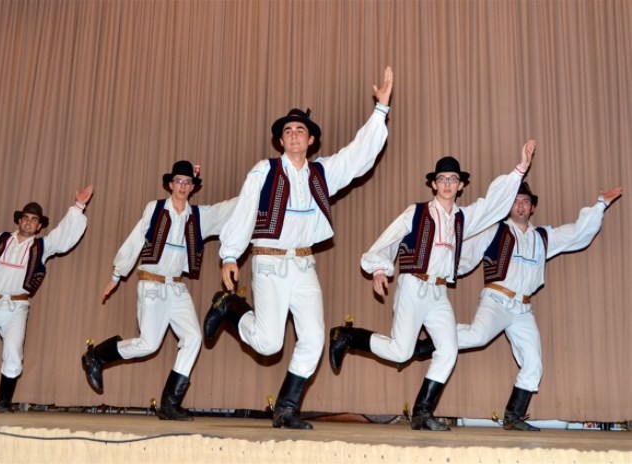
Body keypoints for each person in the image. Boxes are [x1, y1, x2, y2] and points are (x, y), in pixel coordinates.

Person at [202, 67, 394, 430]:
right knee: (269, 344)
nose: (294, 135)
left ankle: (286, 409)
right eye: (288, 131)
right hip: (269, 264)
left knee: (314, 338)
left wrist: (381, 109)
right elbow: (244, 212)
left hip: (304, 266)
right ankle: (229, 307)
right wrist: (229, 255)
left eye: (300, 130)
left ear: (311, 140)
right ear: (280, 140)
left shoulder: (322, 173)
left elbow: (357, 156)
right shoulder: (264, 171)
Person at [328, 141, 536, 431]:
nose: (447, 183)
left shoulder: (464, 218)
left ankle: (422, 413)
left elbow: (493, 204)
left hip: (439, 293)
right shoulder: (416, 213)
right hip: (413, 286)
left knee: (448, 351)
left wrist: (520, 169)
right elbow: (390, 238)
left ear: (461, 185)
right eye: (442, 179)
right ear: (434, 184)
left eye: (453, 179)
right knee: (402, 352)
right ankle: (348, 336)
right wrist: (379, 268)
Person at [412, 182, 623, 431]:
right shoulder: (495, 231)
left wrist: (601, 204)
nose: (521, 205)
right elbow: (464, 255)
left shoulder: (543, 237)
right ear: (509, 206)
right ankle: (429, 346)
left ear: (532, 208)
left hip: (523, 308)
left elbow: (578, 233)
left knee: (533, 362)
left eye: (525, 201)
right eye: (516, 201)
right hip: (496, 300)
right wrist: (433, 274)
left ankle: (513, 416)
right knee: (478, 336)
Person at [81, 161, 236, 421]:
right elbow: (135, 240)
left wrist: (258, 190)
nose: (182, 186)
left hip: (176, 287)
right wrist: (117, 274)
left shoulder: (200, 217)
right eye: (178, 181)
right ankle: (96, 356)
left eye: (187, 182)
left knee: (193, 338)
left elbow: (229, 209)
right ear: (170, 184)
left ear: (193, 187)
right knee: (149, 344)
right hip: (152, 284)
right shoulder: (154, 209)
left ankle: (170, 403)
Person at [0, 185, 95, 412]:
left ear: (39, 226)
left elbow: (63, 235)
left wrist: (78, 206)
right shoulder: (0, 240)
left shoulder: (41, 246)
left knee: (14, 353)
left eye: (34, 219)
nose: (28, 222)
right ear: (19, 221)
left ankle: (4, 401)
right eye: (25, 218)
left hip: (16, 306)